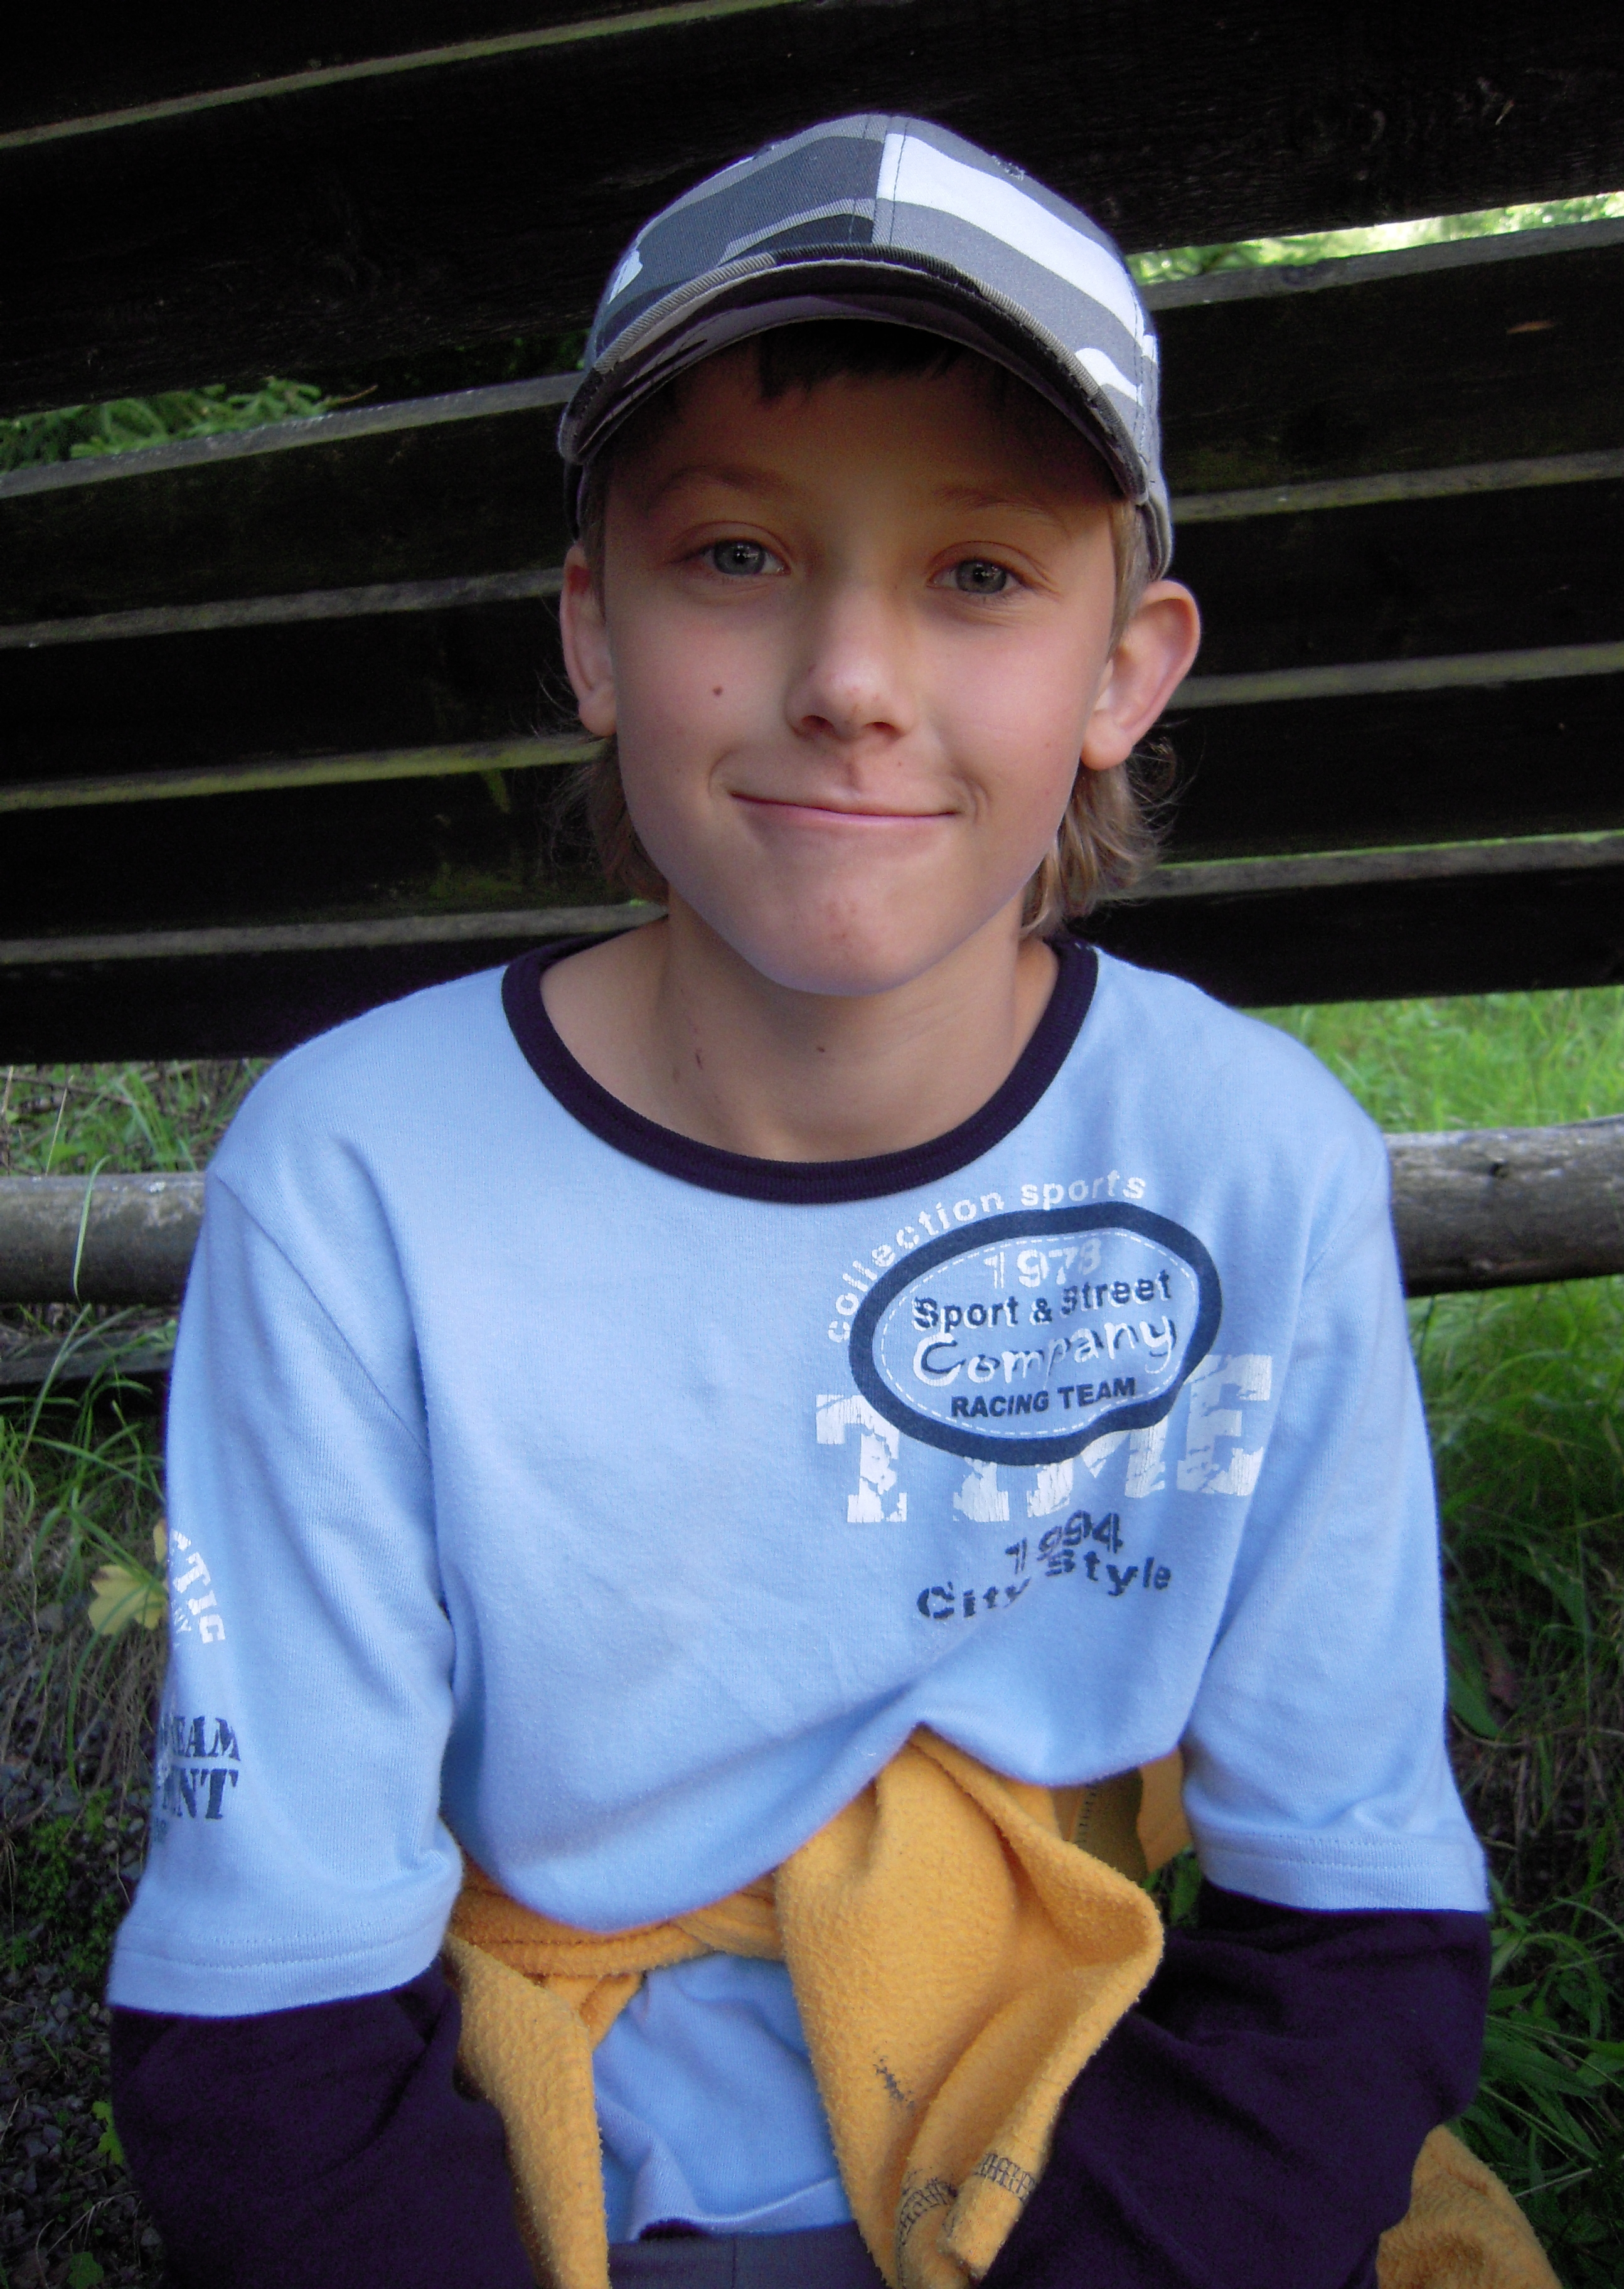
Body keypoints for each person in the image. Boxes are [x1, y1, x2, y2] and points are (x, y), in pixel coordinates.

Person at [105, 115, 1490, 2289]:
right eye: (737, 554)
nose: (850, 680)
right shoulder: (353, 1179)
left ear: (1126, 670)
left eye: (981, 574)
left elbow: (1358, 1921)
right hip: (529, 2171)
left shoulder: (1253, 1159)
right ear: (595, 631)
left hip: (1079, 2136)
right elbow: (264, 2020)